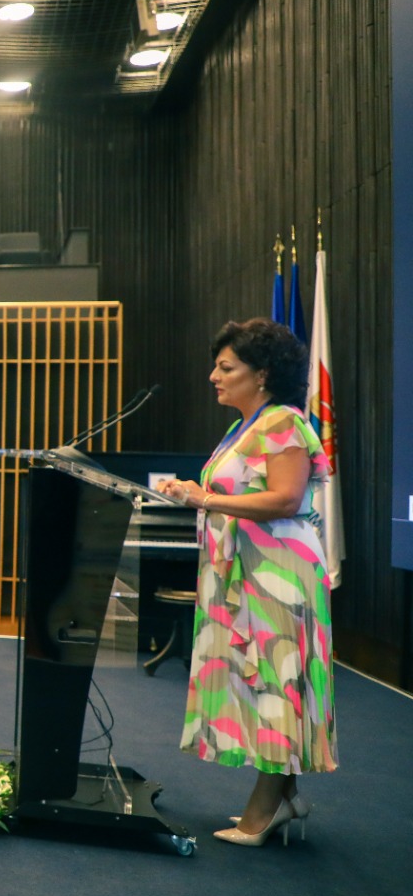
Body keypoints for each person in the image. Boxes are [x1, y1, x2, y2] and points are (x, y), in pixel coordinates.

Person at [162, 318, 337, 847]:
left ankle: (265, 809)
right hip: (244, 571)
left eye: (226, 367)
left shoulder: (283, 421)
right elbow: (236, 493)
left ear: (261, 374)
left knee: (278, 681)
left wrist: (205, 498)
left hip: (278, 575)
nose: (213, 376)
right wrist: (193, 492)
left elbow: (285, 498)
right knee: (262, 682)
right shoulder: (244, 426)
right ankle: (284, 797)